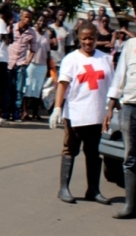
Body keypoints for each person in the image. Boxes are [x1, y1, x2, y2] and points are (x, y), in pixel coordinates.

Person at [50, 22, 113, 205]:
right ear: (79, 38)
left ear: (96, 38)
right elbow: (63, 84)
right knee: (70, 149)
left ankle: (93, 190)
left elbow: (111, 86)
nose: (88, 41)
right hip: (76, 113)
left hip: (96, 113)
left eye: (91, 38)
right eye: (84, 38)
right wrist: (57, 108)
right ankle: (63, 188)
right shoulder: (72, 59)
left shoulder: (105, 59)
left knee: (93, 152)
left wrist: (111, 107)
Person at [105, 32, 136, 219]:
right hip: (130, 108)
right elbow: (120, 76)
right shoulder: (130, 45)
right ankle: (130, 205)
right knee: (130, 157)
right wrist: (111, 106)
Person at [26, 18, 51, 120]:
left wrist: (49, 67)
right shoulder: (31, 31)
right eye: (39, 20)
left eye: (43, 21)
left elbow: (48, 52)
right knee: (28, 88)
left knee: (38, 89)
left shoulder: (46, 35)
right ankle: (24, 112)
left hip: (42, 64)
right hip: (31, 63)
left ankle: (35, 113)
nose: (41, 22)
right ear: (36, 21)